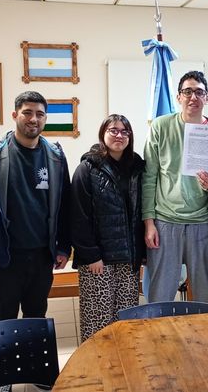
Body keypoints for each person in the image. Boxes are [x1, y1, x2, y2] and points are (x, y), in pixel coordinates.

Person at [0, 91, 71, 326]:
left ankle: (33, 363)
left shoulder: (55, 156)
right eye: (27, 113)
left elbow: (65, 205)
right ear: (15, 115)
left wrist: (63, 247)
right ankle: (5, 363)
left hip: (42, 255)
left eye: (40, 114)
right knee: (4, 318)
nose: (34, 119)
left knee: (36, 316)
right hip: (5, 255)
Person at [142, 70, 208, 303]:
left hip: (203, 222)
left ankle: (204, 339)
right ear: (178, 96)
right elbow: (149, 177)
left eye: (199, 92)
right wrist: (149, 223)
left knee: (204, 295)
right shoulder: (160, 127)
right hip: (165, 221)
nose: (193, 97)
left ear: (207, 98)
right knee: (160, 295)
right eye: (187, 91)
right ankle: (159, 339)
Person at [70, 114, 145, 342]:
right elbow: (77, 215)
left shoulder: (138, 168)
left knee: (125, 322)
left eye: (124, 131)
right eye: (113, 130)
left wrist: (140, 253)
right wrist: (90, 254)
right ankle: (96, 367)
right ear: (103, 133)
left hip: (128, 260)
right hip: (98, 261)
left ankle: (122, 366)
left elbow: (142, 212)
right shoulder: (87, 168)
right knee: (98, 324)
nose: (119, 135)